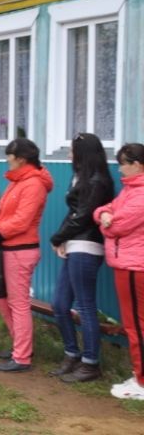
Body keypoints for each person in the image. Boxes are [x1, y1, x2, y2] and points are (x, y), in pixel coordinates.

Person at [48, 133, 114, 382]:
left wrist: (57, 237)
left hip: (87, 246)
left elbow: (84, 216)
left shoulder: (97, 182)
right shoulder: (81, 177)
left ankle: (90, 363)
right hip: (74, 243)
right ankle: (71, 353)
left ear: (83, 153)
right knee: (60, 304)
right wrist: (62, 238)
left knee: (85, 306)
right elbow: (74, 213)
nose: (68, 155)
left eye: (72, 150)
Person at [0, 138, 54, 372]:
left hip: (20, 250)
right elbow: (5, 212)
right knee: (3, 299)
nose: (7, 160)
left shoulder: (33, 184)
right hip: (9, 247)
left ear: (21, 159)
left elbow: (22, 220)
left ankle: (22, 356)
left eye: (9, 157)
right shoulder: (19, 181)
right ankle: (20, 347)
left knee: (18, 303)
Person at [94, 143, 144, 400]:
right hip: (127, 264)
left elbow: (117, 226)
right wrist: (105, 215)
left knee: (136, 325)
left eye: (123, 163)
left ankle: (142, 381)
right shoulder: (129, 190)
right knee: (134, 323)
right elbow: (102, 210)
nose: (119, 168)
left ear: (137, 164)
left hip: (135, 266)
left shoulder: (141, 193)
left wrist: (107, 221)